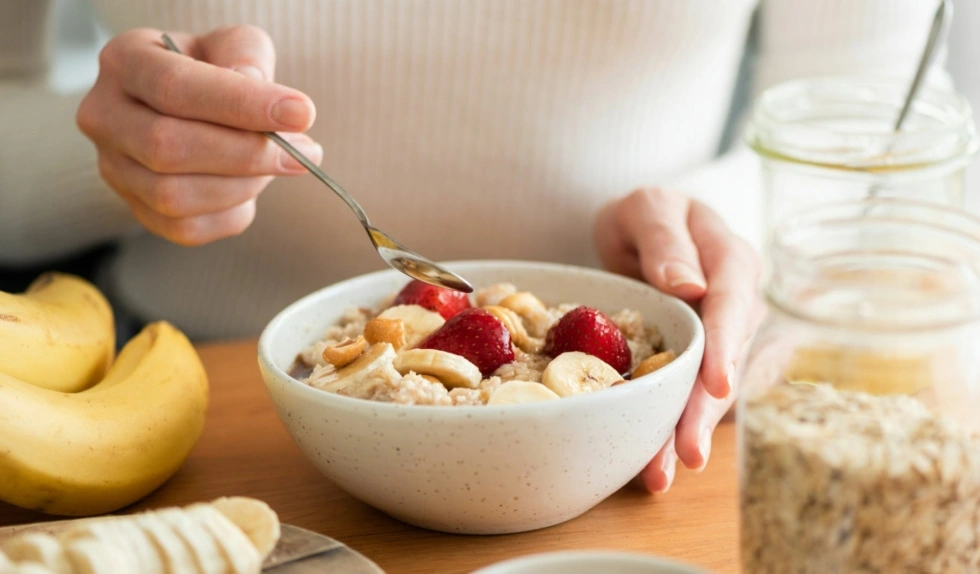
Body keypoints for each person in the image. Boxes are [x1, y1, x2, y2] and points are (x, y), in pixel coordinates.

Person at [0, 0, 964, 494]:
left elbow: (889, 115)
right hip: (204, 429)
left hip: (644, 438)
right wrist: (115, 154)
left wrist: (718, 222)